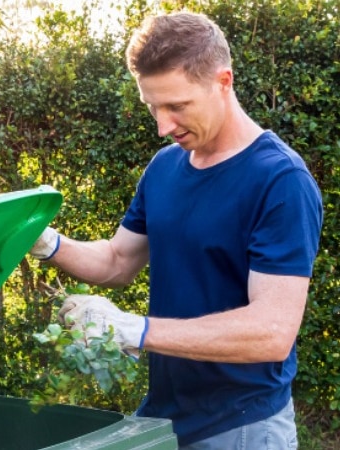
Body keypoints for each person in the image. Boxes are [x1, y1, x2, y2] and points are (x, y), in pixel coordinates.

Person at [31, 11, 322, 449]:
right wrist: (45, 242)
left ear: (223, 82)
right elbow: (118, 260)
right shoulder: (165, 167)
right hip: (164, 420)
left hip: (240, 427)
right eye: (152, 107)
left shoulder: (280, 181)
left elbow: (272, 332)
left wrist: (133, 329)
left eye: (177, 106)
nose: (163, 126)